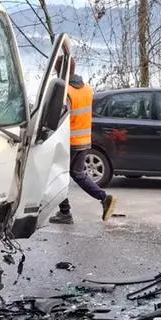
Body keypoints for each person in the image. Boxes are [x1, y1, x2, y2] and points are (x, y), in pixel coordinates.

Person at [48, 56, 116, 224]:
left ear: (61, 69)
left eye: (57, 69)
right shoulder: (87, 89)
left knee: (57, 175)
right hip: (84, 140)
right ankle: (102, 198)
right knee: (77, 174)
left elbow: (58, 118)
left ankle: (66, 212)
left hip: (68, 142)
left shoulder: (65, 92)